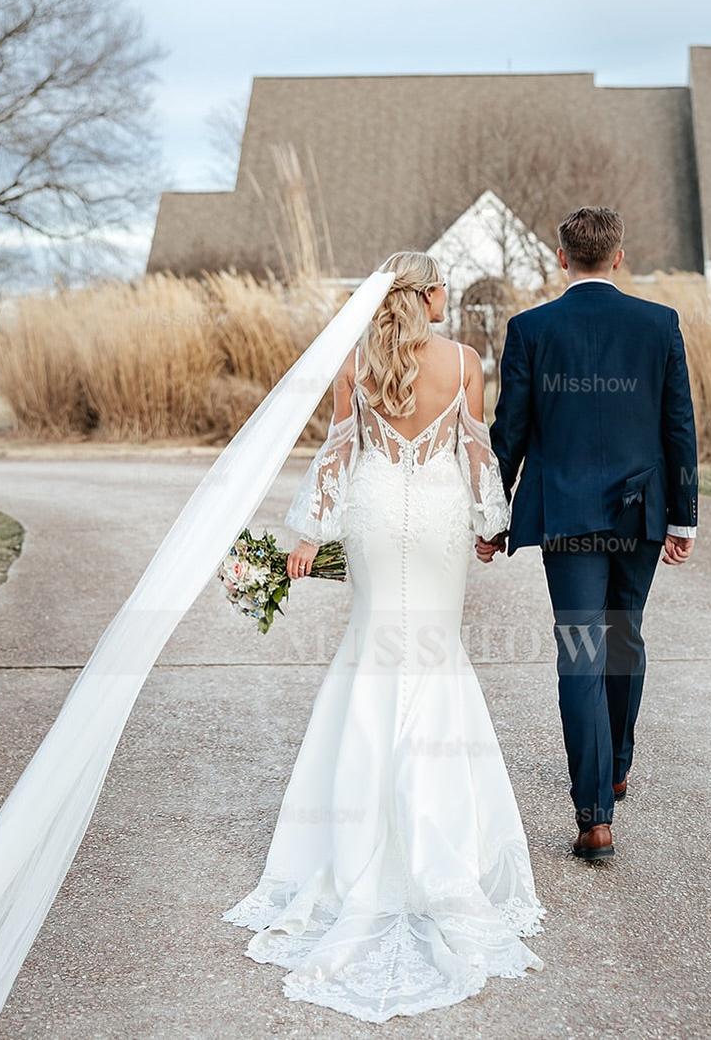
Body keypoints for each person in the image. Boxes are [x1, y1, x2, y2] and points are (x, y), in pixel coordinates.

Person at [222, 251, 544, 1024]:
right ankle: (440, 839)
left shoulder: (356, 364)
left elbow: (339, 452)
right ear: (428, 295)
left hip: (370, 516)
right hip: (435, 518)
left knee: (369, 653)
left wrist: (309, 534)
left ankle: (353, 838)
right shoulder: (464, 361)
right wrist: (491, 524)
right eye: (442, 288)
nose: (445, 296)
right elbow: (476, 452)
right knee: (435, 656)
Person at [481, 206, 698, 861]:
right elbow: (678, 426)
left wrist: (492, 515)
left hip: (567, 514)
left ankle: (594, 816)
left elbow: (510, 433)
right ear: (619, 255)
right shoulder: (659, 324)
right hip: (640, 510)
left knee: (581, 650)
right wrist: (683, 516)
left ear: (562, 257)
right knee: (623, 634)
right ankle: (616, 766)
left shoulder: (530, 329)